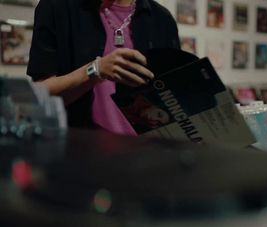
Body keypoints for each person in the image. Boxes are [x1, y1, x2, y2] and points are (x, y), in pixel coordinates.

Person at [27, 0, 180, 136]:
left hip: (148, 156)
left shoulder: (162, 19)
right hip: (80, 154)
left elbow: (174, 97)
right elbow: (39, 95)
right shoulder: (57, 6)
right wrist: (95, 70)